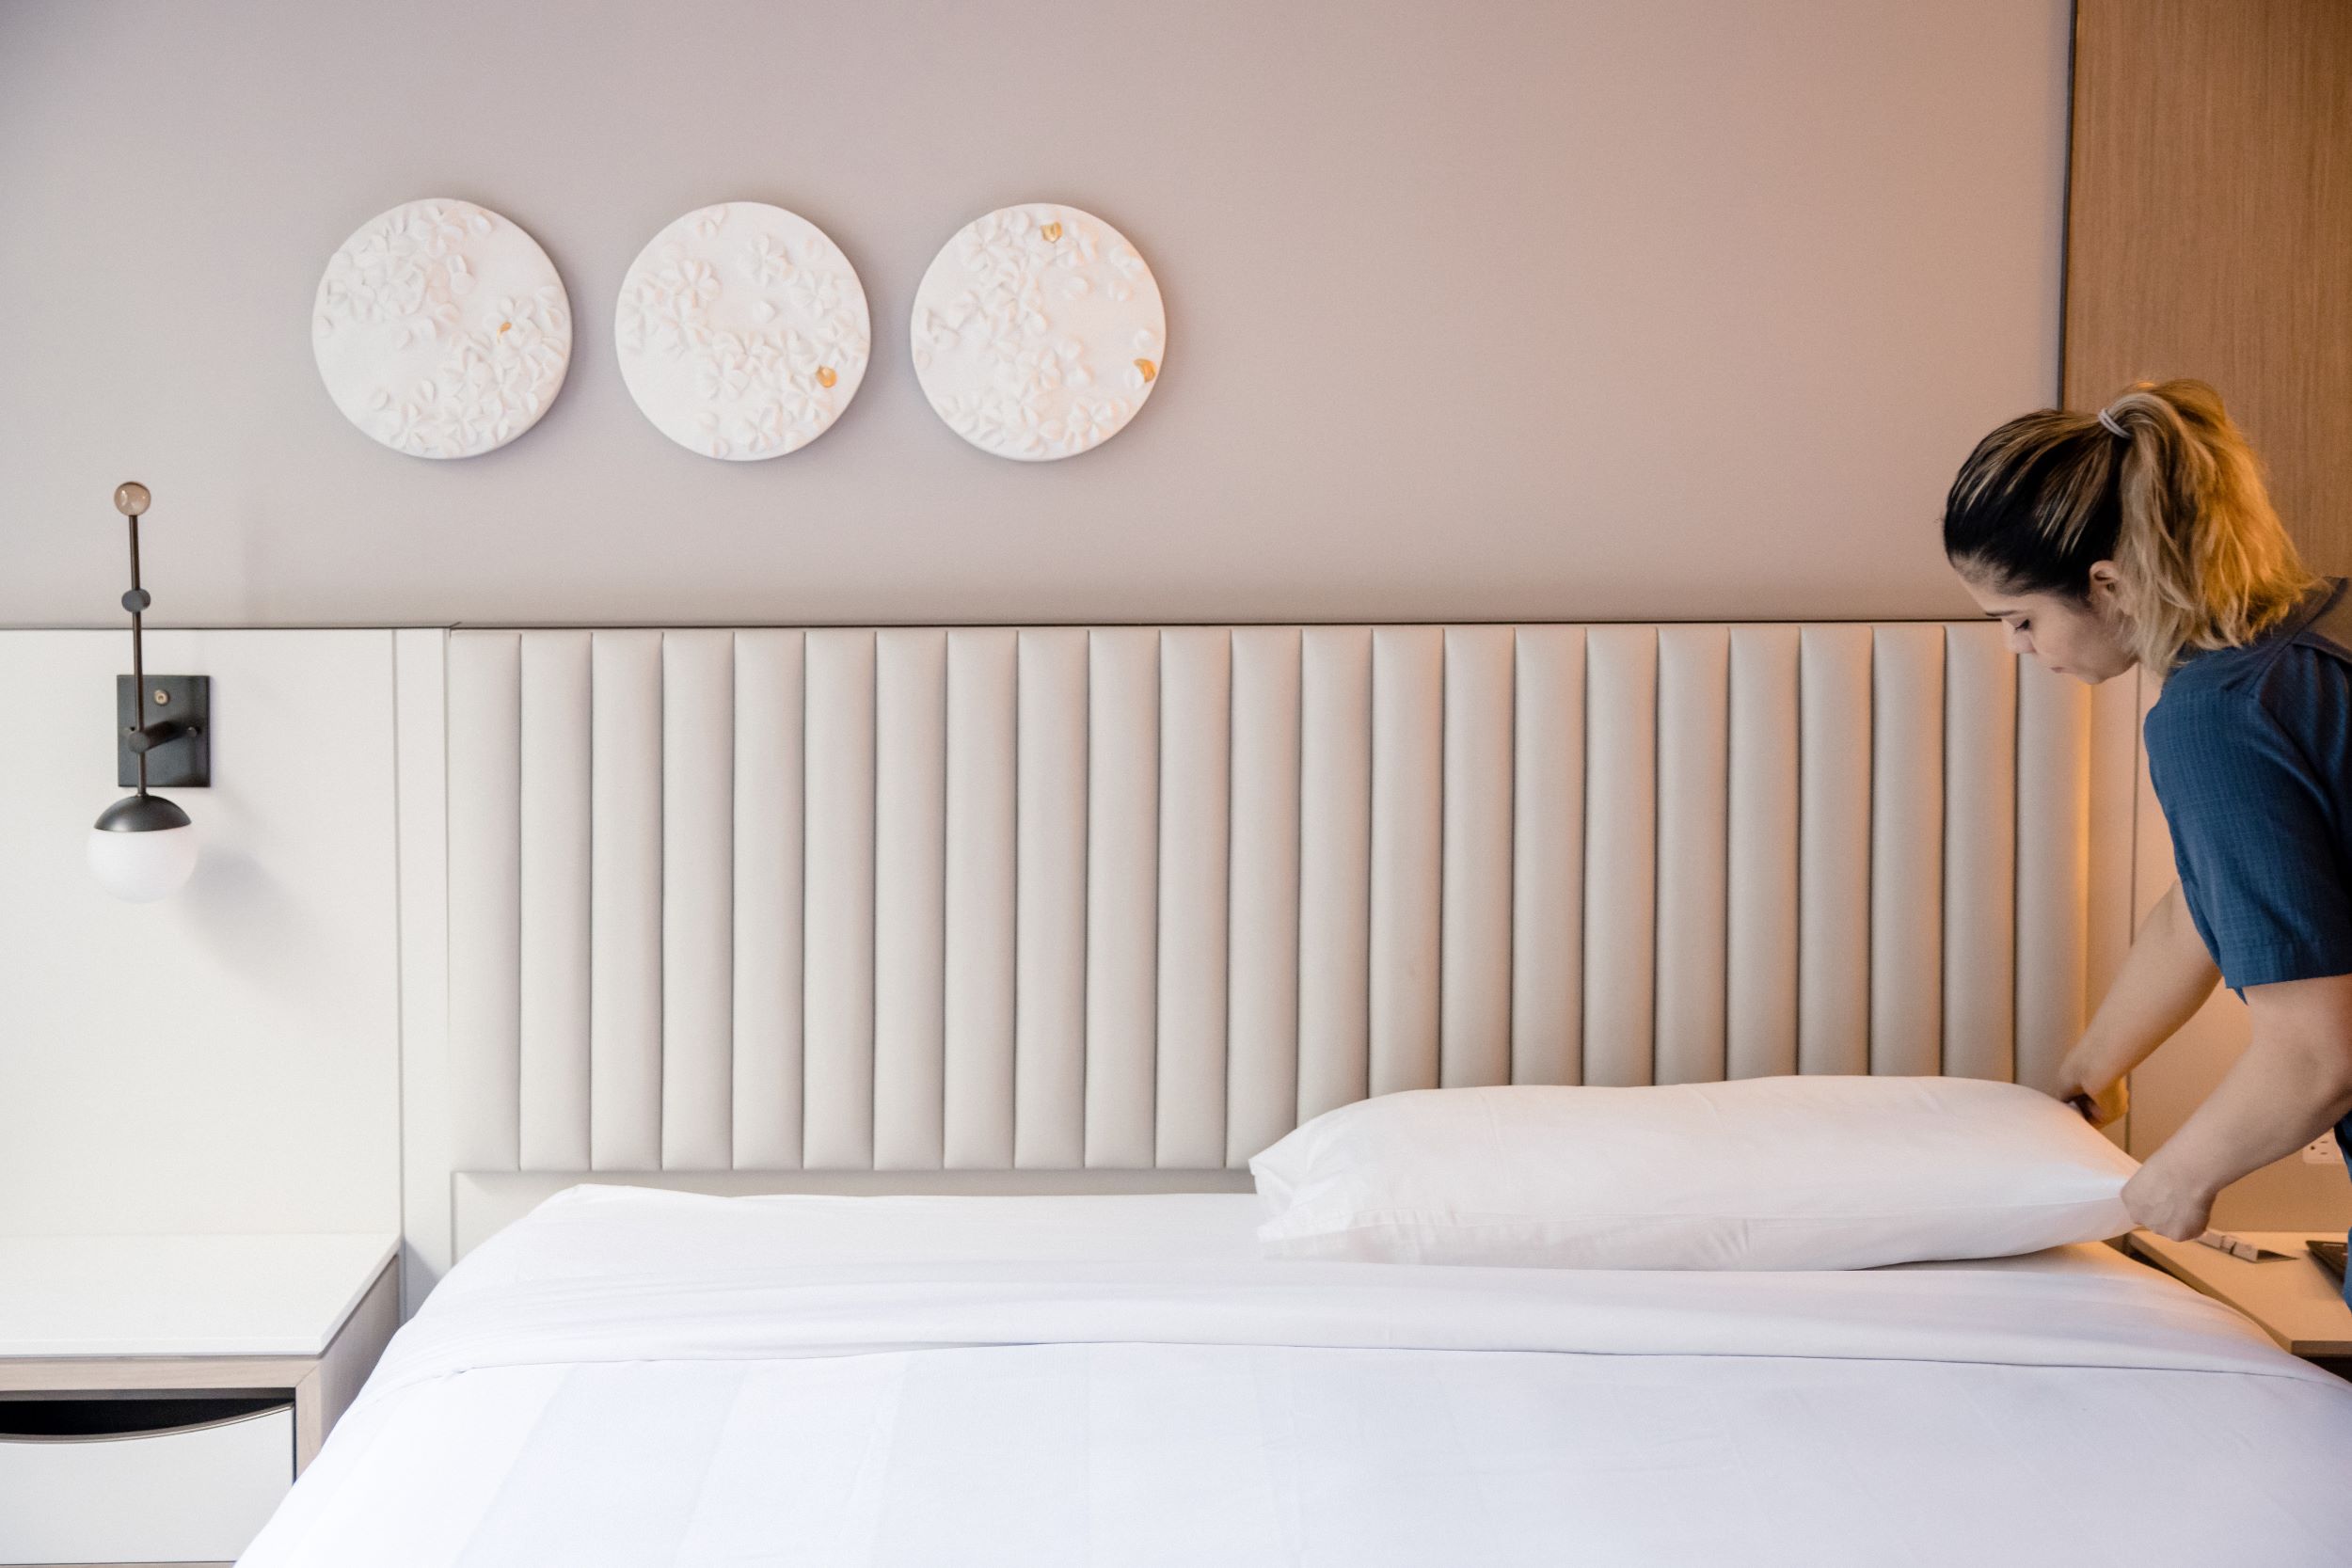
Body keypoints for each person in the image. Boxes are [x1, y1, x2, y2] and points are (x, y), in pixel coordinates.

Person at [1942, 378, 2352, 1255]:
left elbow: (2316, 1060)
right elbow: (2206, 902)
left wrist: (2168, 1185)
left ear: (2110, 585)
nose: (2017, 648)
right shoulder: (2298, 644)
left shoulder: (2218, 713)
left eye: (2019, 619)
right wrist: (2097, 1066)